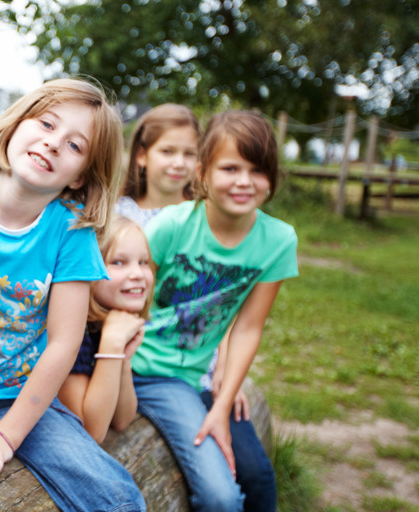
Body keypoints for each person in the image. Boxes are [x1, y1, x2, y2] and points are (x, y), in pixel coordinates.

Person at [0, 78, 147, 512]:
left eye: (75, 146)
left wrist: (8, 433)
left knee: (120, 499)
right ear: (15, 126)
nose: (54, 144)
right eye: (47, 124)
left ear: (82, 177)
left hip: (17, 399)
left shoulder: (70, 233)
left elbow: (62, 343)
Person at [132, 111, 299, 512]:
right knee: (221, 498)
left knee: (258, 476)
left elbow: (247, 328)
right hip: (144, 371)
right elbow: (125, 307)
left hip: (198, 378)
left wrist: (223, 404)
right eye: (230, 168)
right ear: (203, 173)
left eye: (258, 170)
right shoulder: (169, 227)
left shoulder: (278, 240)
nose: (244, 181)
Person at [58, 215, 151, 443]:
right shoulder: (73, 329)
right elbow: (90, 431)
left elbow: (122, 419)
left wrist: (123, 359)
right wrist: (112, 344)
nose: (137, 273)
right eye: (118, 262)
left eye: (144, 262)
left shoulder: (111, 322)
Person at [116, 104, 201, 227]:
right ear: (142, 156)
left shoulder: (206, 217)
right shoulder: (118, 215)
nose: (179, 163)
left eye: (189, 153)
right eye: (167, 151)